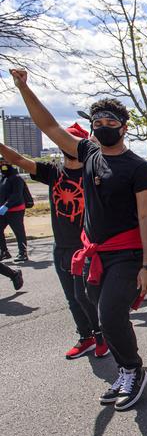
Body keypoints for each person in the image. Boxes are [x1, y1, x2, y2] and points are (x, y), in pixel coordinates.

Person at [12, 68, 147, 411]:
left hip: (127, 254)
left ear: (124, 127)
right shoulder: (89, 154)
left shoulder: (140, 168)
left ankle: (134, 370)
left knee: (109, 314)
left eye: (110, 122)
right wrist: (23, 87)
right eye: (98, 123)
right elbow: (48, 126)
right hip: (93, 254)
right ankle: (124, 369)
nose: (103, 127)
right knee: (95, 310)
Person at [0, 126, 109, 360]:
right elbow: (18, 159)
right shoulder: (53, 172)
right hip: (61, 247)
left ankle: (101, 336)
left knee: (85, 296)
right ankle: (86, 336)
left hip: (87, 248)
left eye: (76, 141)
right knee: (71, 298)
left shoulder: (94, 171)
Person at [0, 158, 28, 262]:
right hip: (3, 211)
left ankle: (23, 253)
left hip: (15, 210)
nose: (3, 165)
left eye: (5, 162)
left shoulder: (16, 178)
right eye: (1, 163)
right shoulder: (3, 178)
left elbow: (17, 194)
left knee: (18, 232)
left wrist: (6, 205)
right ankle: (4, 252)